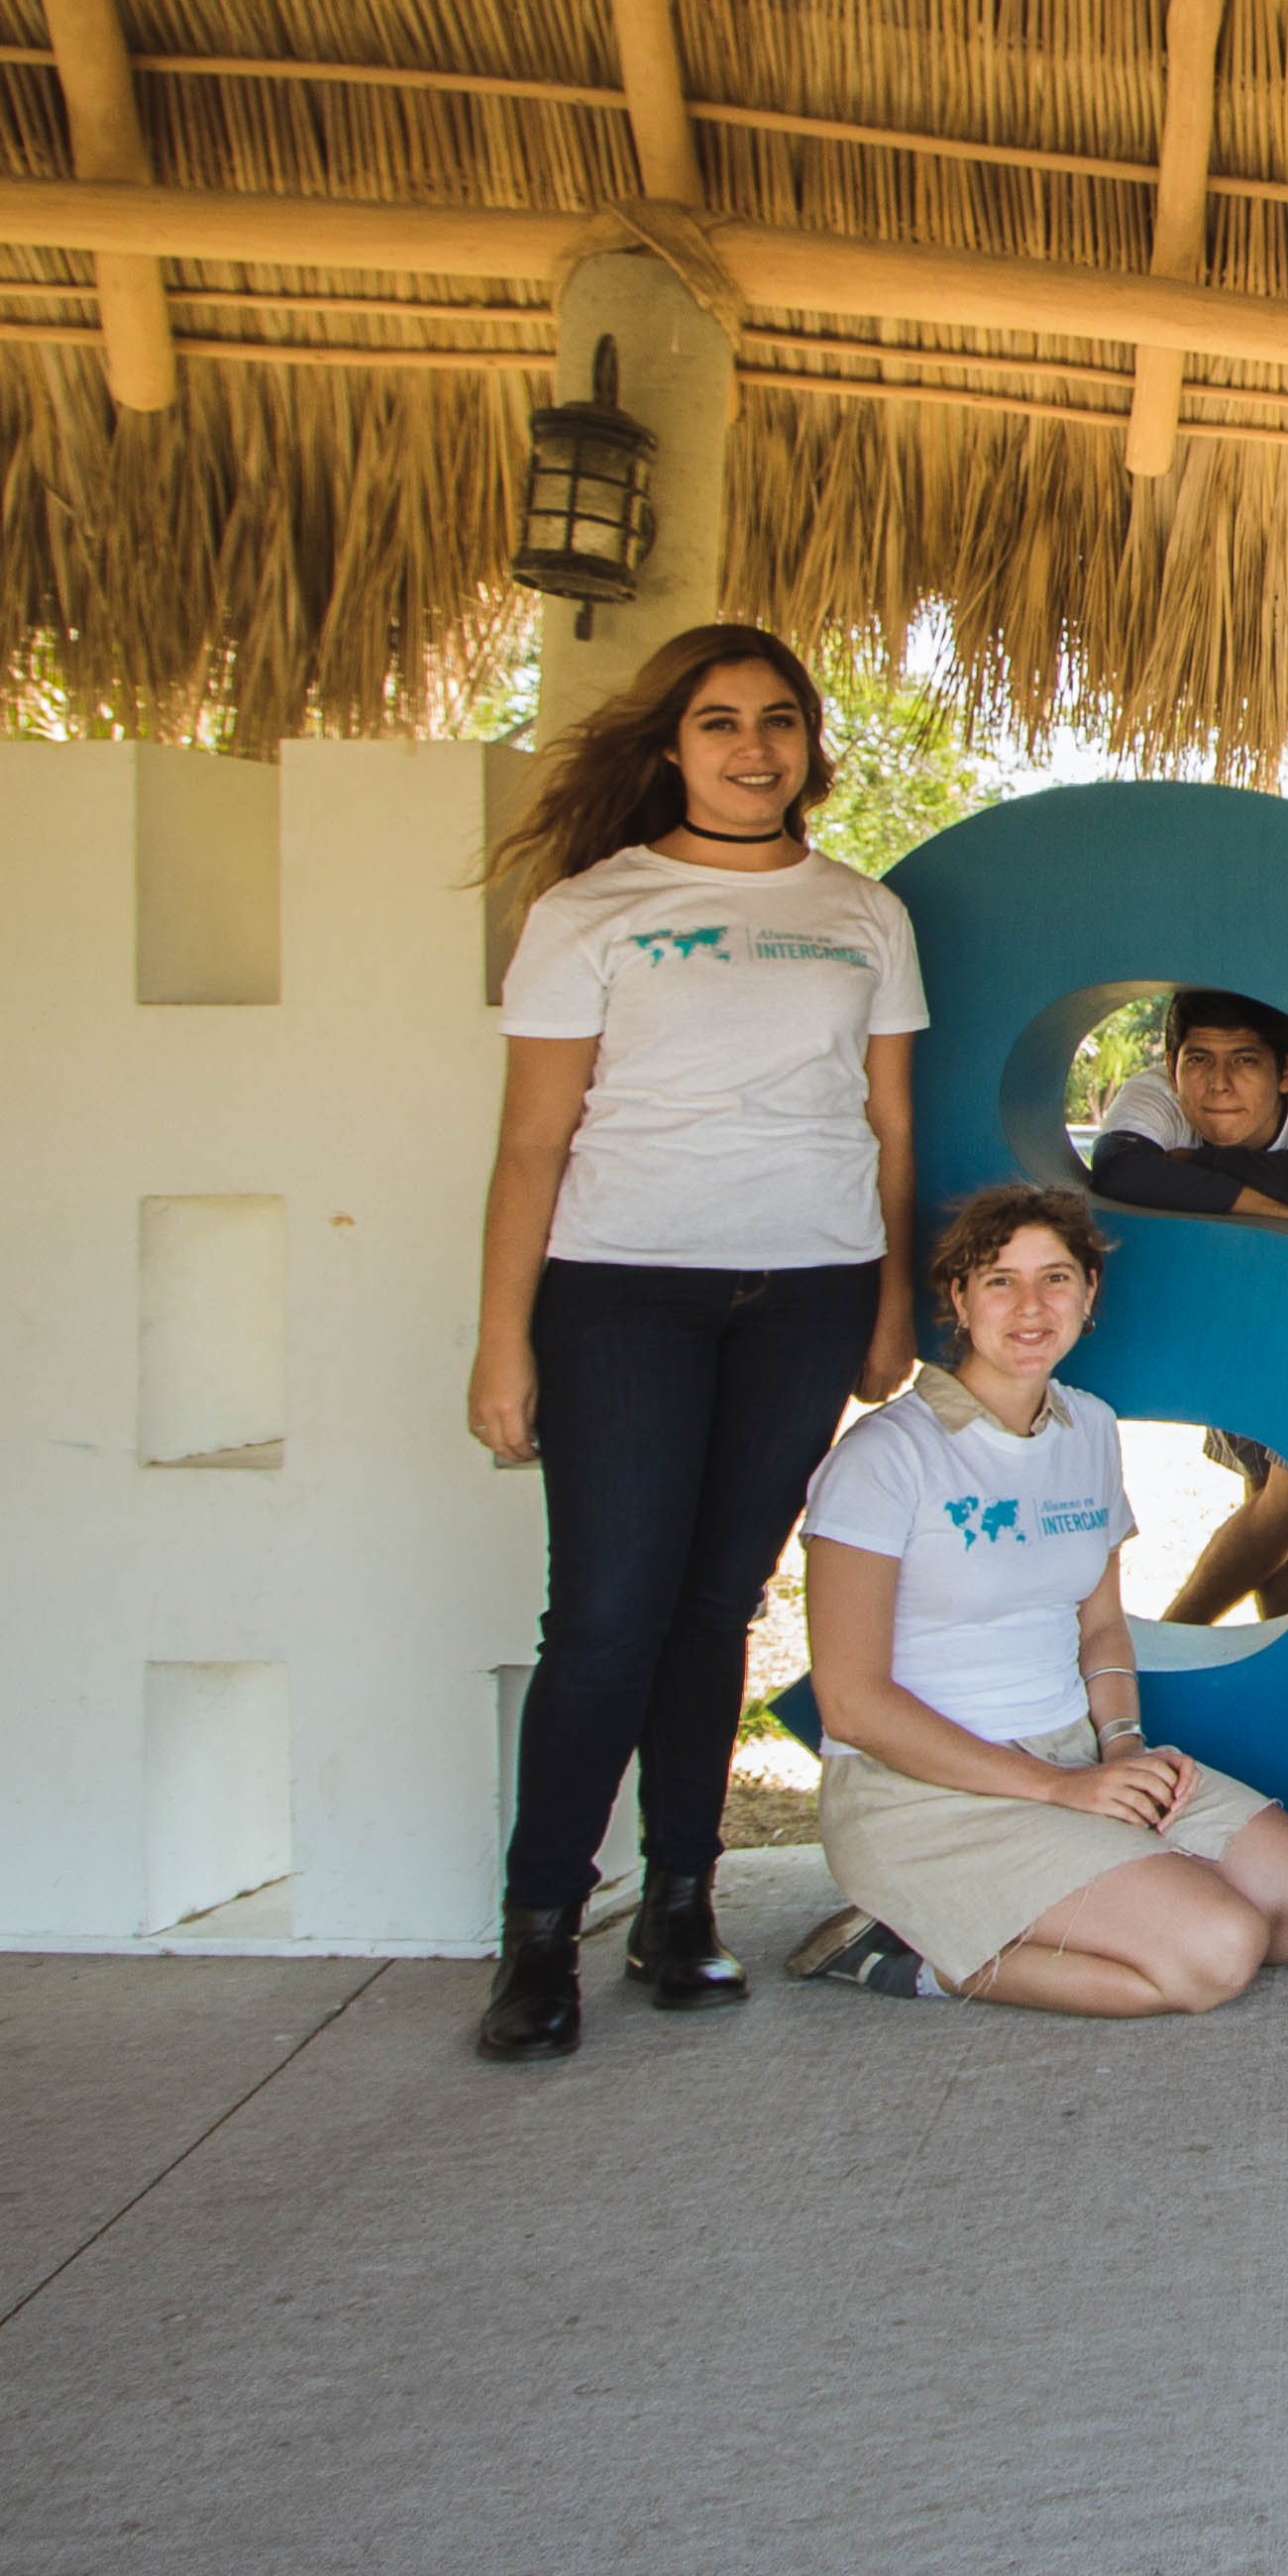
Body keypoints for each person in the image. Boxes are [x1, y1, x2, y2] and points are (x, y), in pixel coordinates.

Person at [469, 622, 921, 2066]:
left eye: (778, 719)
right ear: (672, 744)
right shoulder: (592, 907)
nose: (752, 746)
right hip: (622, 1289)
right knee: (603, 1615)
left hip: (807, 1288)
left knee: (717, 1604)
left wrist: (891, 1299)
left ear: (810, 744)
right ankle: (541, 1928)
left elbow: (889, 1122)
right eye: (720, 720)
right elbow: (533, 1138)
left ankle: (678, 1901)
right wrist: (500, 1341)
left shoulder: (861, 910)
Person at [781, 1187, 1288, 2011]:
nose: (1030, 1306)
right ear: (958, 1299)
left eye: (1055, 1278)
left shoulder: (1087, 1426)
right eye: (999, 1280)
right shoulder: (886, 1456)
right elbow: (853, 1704)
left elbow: (1103, 1624)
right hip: (921, 1791)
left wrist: (1119, 1746)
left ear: (1089, 1295)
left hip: (1072, 1754)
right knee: (1218, 1951)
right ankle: (910, 1953)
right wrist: (1056, 1793)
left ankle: (1007, 1911)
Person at [1085, 987, 1288, 1623]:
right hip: (1229, 1317)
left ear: (1287, 1070)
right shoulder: (1151, 1094)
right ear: (1172, 1065)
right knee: (1268, 1497)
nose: (1218, 1083)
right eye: (1198, 1061)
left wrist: (1191, 1164)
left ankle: (1174, 1633)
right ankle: (1270, 1657)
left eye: (1245, 1061)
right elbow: (1117, 1171)